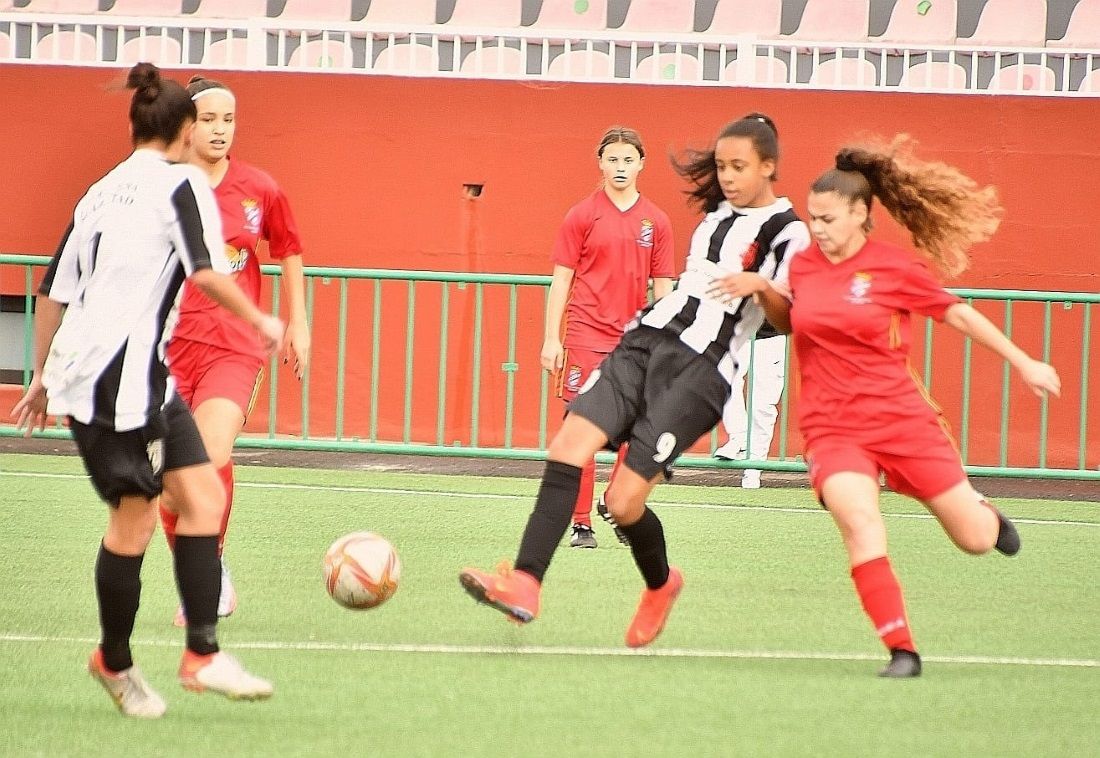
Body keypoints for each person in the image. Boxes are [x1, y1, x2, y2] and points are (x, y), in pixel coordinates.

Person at [459, 113, 809, 647]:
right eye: (721, 166)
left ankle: (661, 583)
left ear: (769, 166)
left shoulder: (789, 233)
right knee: (568, 444)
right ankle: (526, 583)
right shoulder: (715, 216)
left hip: (702, 371)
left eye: (739, 167)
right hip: (646, 340)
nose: (728, 177)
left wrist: (761, 285)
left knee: (623, 505)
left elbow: (789, 320)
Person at [730, 135, 1059, 677]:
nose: (818, 229)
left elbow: (958, 316)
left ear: (861, 214)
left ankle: (986, 516)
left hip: (901, 420)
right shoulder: (806, 267)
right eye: (812, 218)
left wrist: (1024, 362)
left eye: (829, 219)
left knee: (974, 541)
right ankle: (902, 650)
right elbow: (790, 322)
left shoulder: (893, 268)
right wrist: (765, 288)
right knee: (859, 520)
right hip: (832, 428)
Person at [10, 63, 279, 717]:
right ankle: (117, 663)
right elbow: (209, 272)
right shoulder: (181, 184)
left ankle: (201, 655)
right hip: (111, 390)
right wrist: (261, 318)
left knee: (202, 496)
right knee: (133, 523)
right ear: (186, 129)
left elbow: (53, 292)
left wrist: (42, 375)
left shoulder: (98, 193)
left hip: (132, 382)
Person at [158, 75, 310, 627]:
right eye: (210, 119)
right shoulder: (164, 187)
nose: (221, 129)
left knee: (210, 453)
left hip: (234, 347)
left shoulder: (258, 188)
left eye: (229, 119)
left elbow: (289, 250)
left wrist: (299, 324)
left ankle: (211, 574)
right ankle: (198, 576)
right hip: (168, 350)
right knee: (170, 495)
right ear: (186, 126)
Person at [540, 126, 674, 549]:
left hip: (632, 343)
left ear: (641, 164)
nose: (620, 167)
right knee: (583, 432)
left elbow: (663, 287)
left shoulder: (657, 220)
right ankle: (581, 523)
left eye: (628, 159)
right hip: (584, 337)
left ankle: (613, 504)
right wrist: (551, 339)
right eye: (612, 159)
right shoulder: (581, 215)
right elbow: (560, 281)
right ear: (600, 162)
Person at [712, 316, 787, 489]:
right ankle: (740, 438)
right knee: (724, 381)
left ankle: (753, 471)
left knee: (763, 406)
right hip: (738, 332)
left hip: (771, 336)